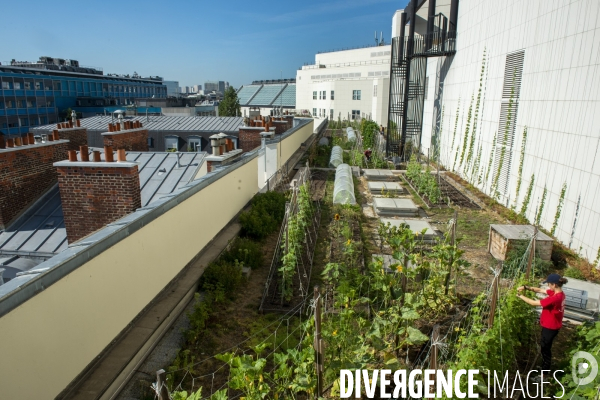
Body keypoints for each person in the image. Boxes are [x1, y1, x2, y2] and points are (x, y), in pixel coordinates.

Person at [517, 273, 568, 372]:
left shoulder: (554, 298)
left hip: (551, 327)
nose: (547, 286)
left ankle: (544, 373)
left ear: (554, 285)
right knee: (544, 347)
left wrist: (519, 296)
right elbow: (540, 290)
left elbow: (533, 303)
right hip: (552, 326)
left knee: (545, 349)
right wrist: (525, 287)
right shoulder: (559, 294)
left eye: (549, 284)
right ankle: (544, 368)